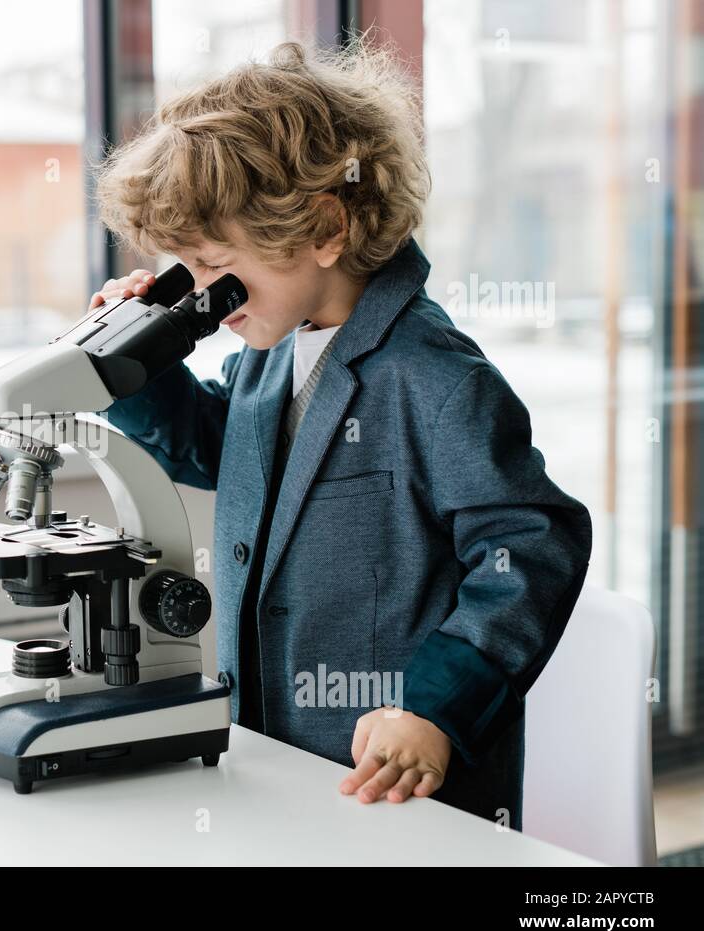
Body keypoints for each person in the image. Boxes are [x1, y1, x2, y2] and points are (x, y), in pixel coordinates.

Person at [89, 40, 592, 829]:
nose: (201, 294)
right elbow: (224, 453)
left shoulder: (435, 379)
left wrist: (433, 709)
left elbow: (533, 546)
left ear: (325, 227)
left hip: (394, 787)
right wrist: (137, 368)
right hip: (277, 759)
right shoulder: (274, 351)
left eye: (213, 263)